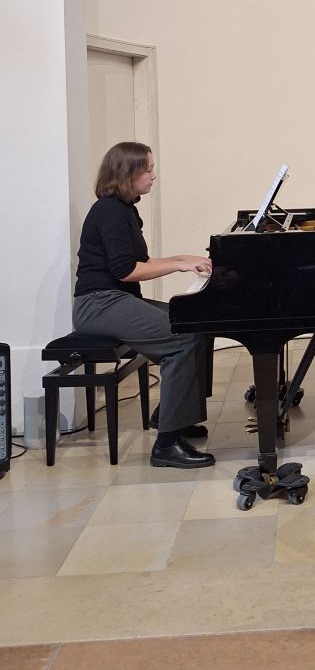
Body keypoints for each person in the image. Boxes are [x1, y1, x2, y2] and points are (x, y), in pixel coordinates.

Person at [72, 142, 215, 469]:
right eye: (148, 170)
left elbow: (142, 261)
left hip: (114, 300)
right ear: (128, 173)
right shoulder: (108, 211)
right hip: (97, 305)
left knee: (196, 324)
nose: (154, 175)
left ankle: (171, 415)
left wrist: (187, 259)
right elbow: (126, 270)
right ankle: (166, 445)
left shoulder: (125, 209)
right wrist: (178, 266)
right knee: (182, 339)